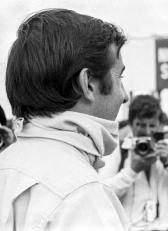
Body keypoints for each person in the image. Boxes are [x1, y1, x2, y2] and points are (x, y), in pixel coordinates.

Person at [0, 9, 130, 230]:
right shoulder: (80, 194)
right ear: (87, 83)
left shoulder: (7, 166)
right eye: (120, 78)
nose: (125, 96)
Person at [101, 95, 168, 231]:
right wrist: (131, 171)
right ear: (131, 123)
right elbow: (102, 197)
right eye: (141, 125)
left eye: (152, 125)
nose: (147, 131)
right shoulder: (118, 150)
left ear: (159, 125)